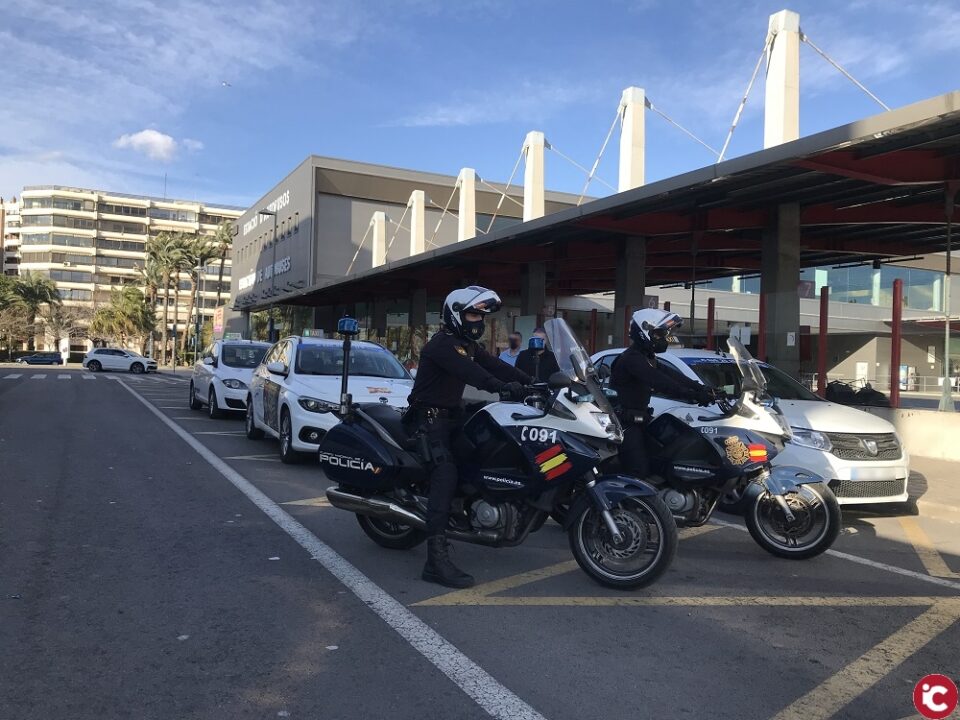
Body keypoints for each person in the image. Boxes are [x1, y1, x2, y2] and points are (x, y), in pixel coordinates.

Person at [406, 286, 532, 588]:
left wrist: (534, 382)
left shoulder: (467, 345)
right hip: (428, 421)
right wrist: (502, 387)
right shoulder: (441, 345)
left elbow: (497, 365)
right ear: (456, 314)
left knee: (489, 448)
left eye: (482, 316)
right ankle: (435, 560)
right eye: (474, 314)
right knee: (446, 473)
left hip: (452, 416)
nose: (479, 320)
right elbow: (474, 374)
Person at [610, 309, 716, 478]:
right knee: (639, 470)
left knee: (666, 457)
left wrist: (703, 389)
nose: (663, 339)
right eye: (659, 334)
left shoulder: (647, 357)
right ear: (644, 333)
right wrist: (693, 396)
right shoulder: (631, 359)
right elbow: (660, 382)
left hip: (641, 419)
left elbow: (673, 375)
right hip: (625, 424)